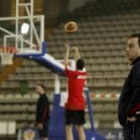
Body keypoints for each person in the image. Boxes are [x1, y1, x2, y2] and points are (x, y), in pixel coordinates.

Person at [118, 33, 140, 140]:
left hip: (135, 126)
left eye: (131, 46)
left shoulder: (138, 65)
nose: (127, 49)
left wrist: (129, 111)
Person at [64, 44, 87, 140]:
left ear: (76, 65)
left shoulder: (72, 74)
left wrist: (67, 51)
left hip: (71, 105)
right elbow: (79, 61)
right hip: (81, 105)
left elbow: (65, 63)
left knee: (69, 128)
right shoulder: (84, 73)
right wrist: (77, 51)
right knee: (80, 127)